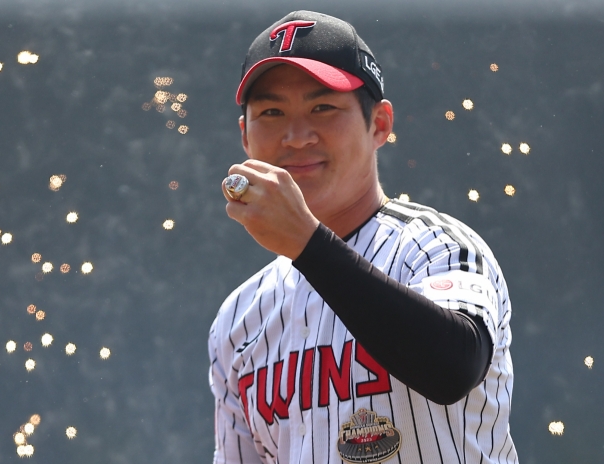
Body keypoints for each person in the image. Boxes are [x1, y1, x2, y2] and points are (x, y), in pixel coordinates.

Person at [209, 10, 518, 464]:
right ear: (244, 137)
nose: (296, 137)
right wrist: (306, 246)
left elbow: (452, 367)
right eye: (272, 112)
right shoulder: (239, 316)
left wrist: (308, 245)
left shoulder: (438, 247)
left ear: (379, 124)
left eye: (323, 107)